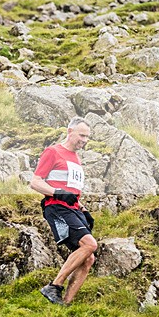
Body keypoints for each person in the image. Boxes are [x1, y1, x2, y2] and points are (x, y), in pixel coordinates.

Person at [30, 117, 97, 305]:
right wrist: (57, 193)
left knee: (88, 258)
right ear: (70, 132)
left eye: (87, 137)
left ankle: (64, 305)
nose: (84, 140)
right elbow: (35, 182)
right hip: (57, 208)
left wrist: (82, 209)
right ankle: (54, 285)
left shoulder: (76, 160)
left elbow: (71, 190)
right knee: (90, 244)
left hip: (73, 209)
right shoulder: (53, 152)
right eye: (81, 135)